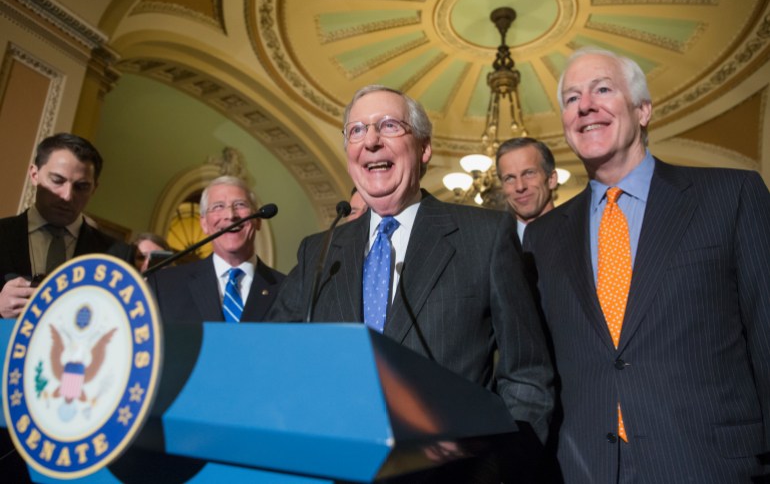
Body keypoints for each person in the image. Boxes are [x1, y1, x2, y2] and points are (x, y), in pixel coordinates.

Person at [523, 47, 770, 482]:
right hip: (585, 470)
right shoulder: (543, 237)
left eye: (602, 89)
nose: (585, 106)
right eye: (571, 98)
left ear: (642, 110)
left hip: (711, 466)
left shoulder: (731, 196)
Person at [268, 85, 554, 449]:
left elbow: (527, 373)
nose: (370, 141)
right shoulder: (319, 251)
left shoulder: (484, 236)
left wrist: (505, 464)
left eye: (388, 126)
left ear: (424, 148)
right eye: (356, 130)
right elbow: (274, 358)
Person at [0, 133, 133, 319]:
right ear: (34, 174)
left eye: (81, 187)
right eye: (57, 180)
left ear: (94, 188)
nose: (67, 196)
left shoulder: (116, 255)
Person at [147, 176, 284, 323]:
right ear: (204, 223)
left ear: (257, 220)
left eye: (240, 205)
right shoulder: (165, 285)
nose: (230, 215)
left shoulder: (288, 289)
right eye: (218, 206)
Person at [495, 137, 558, 243]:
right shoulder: (492, 243)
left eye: (529, 173)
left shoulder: (582, 232)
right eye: (509, 178)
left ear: (551, 179)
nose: (520, 187)